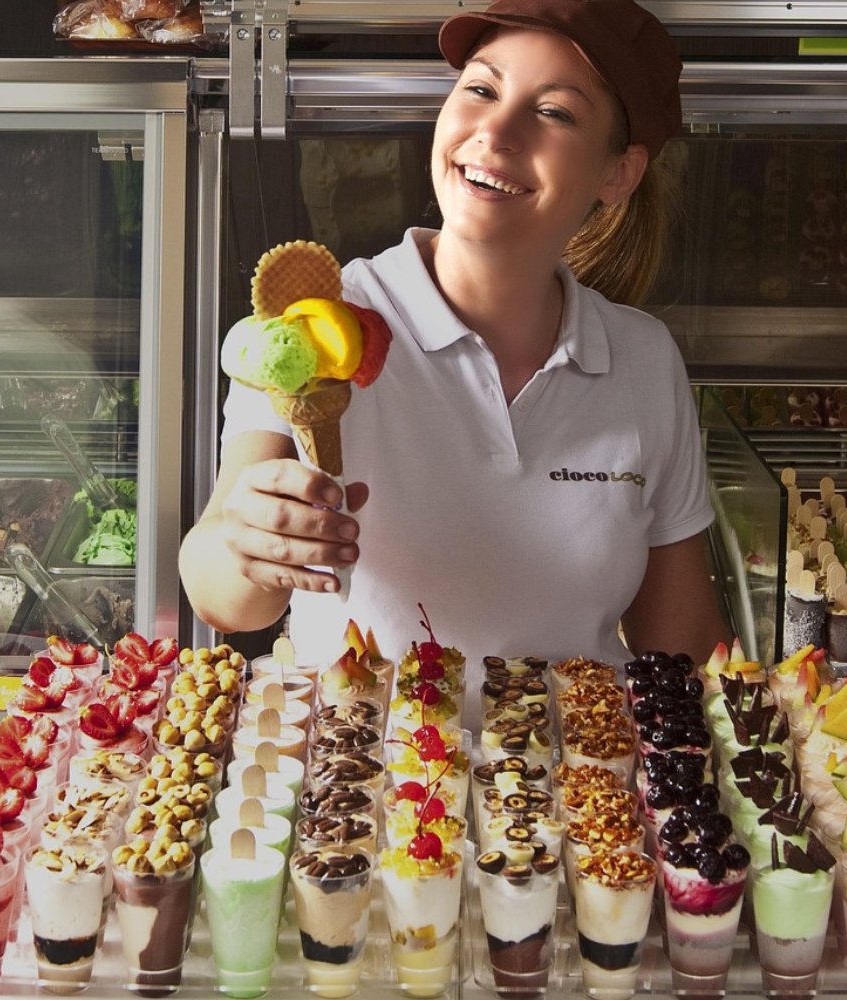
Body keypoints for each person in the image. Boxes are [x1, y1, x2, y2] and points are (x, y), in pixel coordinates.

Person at [179, 0, 730, 716]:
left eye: (555, 113)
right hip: (368, 795)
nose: (495, 131)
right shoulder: (319, 327)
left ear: (618, 174)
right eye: (480, 88)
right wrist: (248, 541)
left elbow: (679, 640)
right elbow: (223, 595)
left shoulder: (643, 361)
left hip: (582, 799)